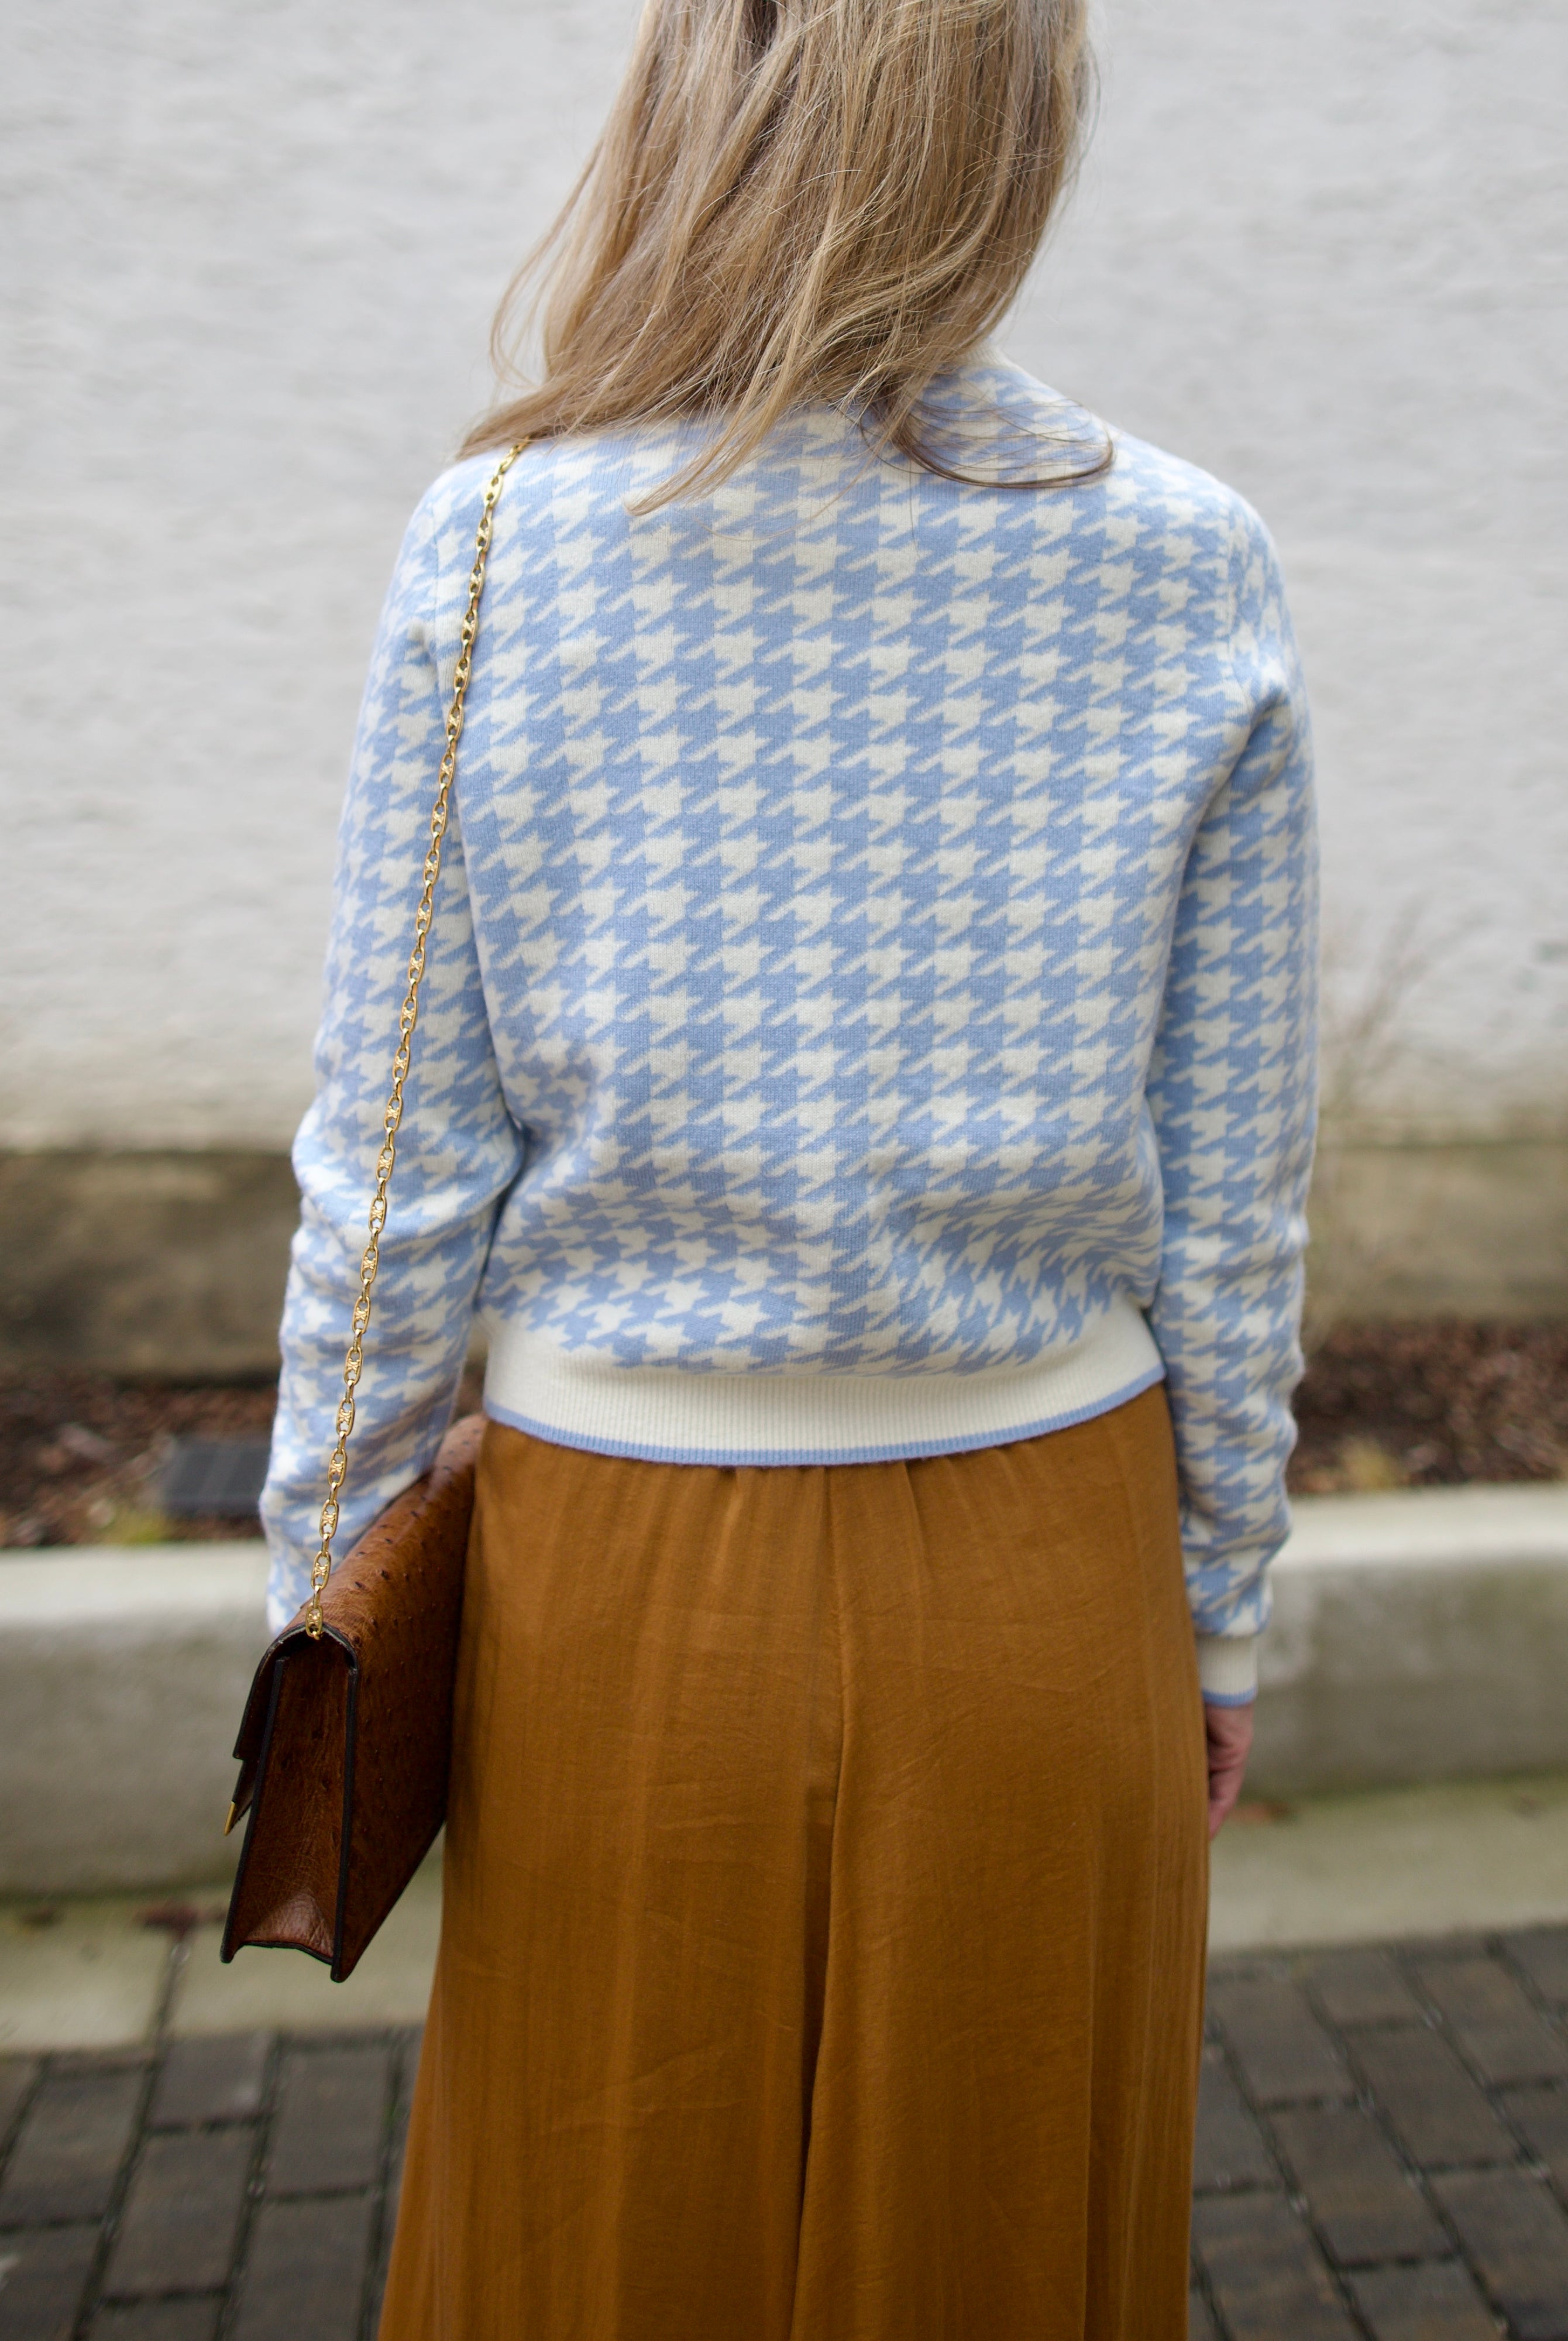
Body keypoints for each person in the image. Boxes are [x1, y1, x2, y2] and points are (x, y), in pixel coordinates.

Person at [260, 0, 1316, 2332]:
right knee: (1005, 2250)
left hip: (616, 1595)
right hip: (1053, 1583)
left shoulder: (508, 540)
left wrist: (319, 1605)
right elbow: (1232, 1187)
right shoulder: (1187, 562)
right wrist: (1219, 1597)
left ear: (696, 112)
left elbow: (398, 1160)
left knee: (599, 2246)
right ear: (1011, 133)